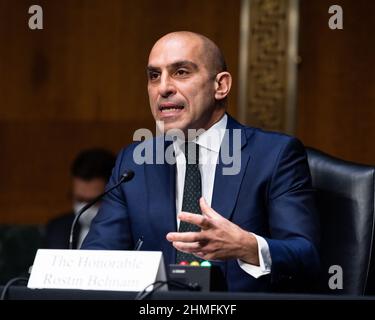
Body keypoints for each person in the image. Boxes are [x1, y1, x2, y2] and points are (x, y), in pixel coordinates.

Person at [82, 31, 320, 292]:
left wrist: (247, 246)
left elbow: (306, 257)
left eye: (181, 72)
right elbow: (98, 258)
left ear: (221, 86)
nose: (163, 88)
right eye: (154, 76)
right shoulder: (135, 163)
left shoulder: (274, 155)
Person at [45, 148, 116, 249]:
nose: (84, 208)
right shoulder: (57, 230)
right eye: (79, 199)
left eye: (93, 201)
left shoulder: (130, 233)